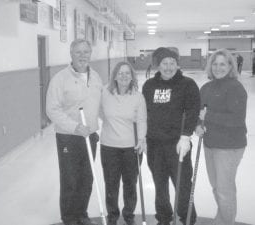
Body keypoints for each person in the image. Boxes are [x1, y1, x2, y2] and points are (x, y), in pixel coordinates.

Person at [46, 39, 102, 225]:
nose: (82, 55)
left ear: (90, 54)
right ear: (71, 54)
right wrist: (74, 126)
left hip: (90, 135)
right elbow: (52, 109)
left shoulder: (96, 77)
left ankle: (81, 214)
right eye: (78, 52)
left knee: (87, 177)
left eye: (86, 51)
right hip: (68, 137)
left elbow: (99, 105)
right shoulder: (60, 79)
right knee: (70, 178)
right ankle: (69, 218)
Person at [142, 47, 200, 225]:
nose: (168, 67)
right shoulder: (149, 85)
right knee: (160, 184)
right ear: (158, 66)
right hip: (154, 144)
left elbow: (192, 111)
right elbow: (144, 113)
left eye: (172, 63)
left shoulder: (187, 84)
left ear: (177, 64)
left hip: (177, 144)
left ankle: (188, 217)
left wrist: (185, 136)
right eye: (164, 63)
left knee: (182, 183)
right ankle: (164, 217)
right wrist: (142, 137)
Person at [195, 49, 247, 225]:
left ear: (230, 66)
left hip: (229, 146)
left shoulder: (235, 87)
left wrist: (207, 116)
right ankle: (222, 218)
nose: (218, 68)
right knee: (217, 187)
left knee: (224, 190)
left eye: (222, 64)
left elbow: (236, 119)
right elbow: (199, 113)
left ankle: (226, 222)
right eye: (215, 64)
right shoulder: (206, 88)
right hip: (210, 143)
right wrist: (197, 126)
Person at [99, 61, 147, 225]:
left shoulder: (138, 97)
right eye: (120, 73)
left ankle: (128, 214)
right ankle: (112, 215)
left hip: (131, 148)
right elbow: (100, 113)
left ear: (132, 76)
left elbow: (141, 120)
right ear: (115, 76)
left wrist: (141, 140)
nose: (124, 76)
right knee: (111, 184)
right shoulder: (105, 93)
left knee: (130, 184)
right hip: (109, 147)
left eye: (127, 73)